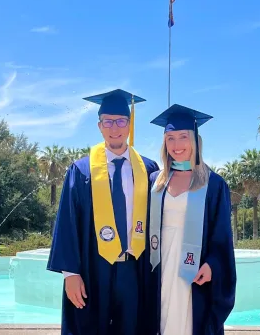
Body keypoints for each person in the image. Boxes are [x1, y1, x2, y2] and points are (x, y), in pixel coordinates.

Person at [46, 89, 160, 335]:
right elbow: (67, 222)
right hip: (92, 269)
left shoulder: (149, 169)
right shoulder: (81, 169)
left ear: (129, 125)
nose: (114, 128)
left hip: (134, 270)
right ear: (99, 126)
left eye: (121, 121)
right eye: (107, 121)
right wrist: (70, 274)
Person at [145, 104, 237, 335]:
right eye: (170, 138)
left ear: (195, 140)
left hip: (193, 270)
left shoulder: (213, 184)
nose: (177, 145)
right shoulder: (155, 181)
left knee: (189, 322)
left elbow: (222, 235)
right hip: (159, 266)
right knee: (160, 318)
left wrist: (212, 265)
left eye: (183, 137)